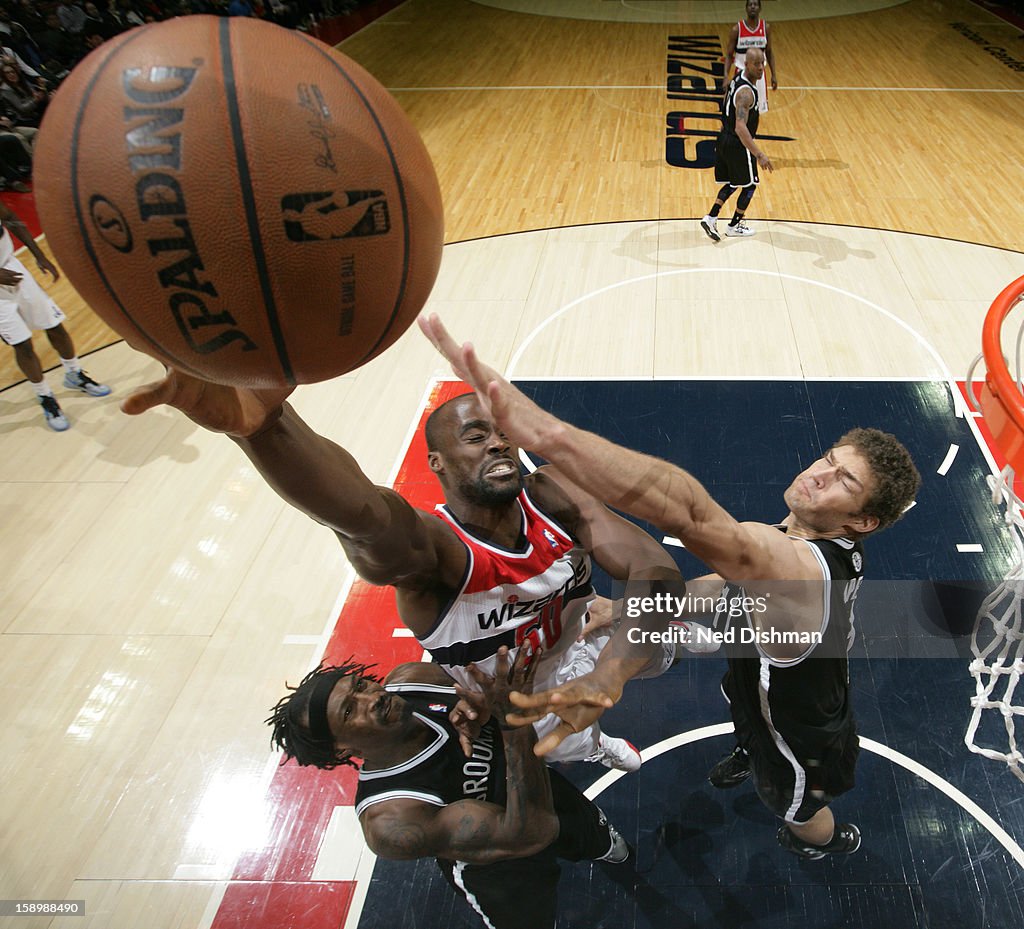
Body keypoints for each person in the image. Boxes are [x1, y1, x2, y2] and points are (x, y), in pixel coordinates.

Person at [418, 313, 922, 861]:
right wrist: (629, 609)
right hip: (758, 672)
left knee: (795, 802)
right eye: (829, 459)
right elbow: (724, 588)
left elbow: (687, 512)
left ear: (863, 521)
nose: (819, 475)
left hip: (800, 722)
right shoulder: (801, 542)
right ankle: (749, 749)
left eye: (843, 481)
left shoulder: (793, 566)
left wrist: (549, 436)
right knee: (742, 707)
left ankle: (820, 843)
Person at [120, 370, 687, 771]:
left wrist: (608, 673)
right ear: (436, 463)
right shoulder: (434, 553)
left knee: (682, 626)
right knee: (570, 744)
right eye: (475, 436)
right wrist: (266, 429)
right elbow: (363, 515)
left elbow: (657, 571)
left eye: (503, 433)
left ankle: (745, 642)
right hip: (524, 691)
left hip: (598, 633)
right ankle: (597, 746)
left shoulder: (551, 493)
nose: (498, 443)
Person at [268, 646, 629, 929]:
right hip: (500, 869)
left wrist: (487, 704)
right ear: (340, 748)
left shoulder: (415, 678)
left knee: (596, 837)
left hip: (541, 787)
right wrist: (511, 722)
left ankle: (606, 846)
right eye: (350, 711)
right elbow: (533, 831)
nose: (372, 697)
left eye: (361, 686)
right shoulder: (392, 820)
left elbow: (491, 683)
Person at [0, 202, 111, 431]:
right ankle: (45, 397)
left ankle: (74, 374)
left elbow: (10, 216)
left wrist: (39, 256)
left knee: (54, 325)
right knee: (22, 344)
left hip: (15, 271)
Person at [700, 47, 773, 242]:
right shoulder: (746, 93)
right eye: (756, 64)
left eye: (762, 63)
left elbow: (726, 104)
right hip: (737, 143)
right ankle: (733, 225)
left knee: (734, 181)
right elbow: (741, 127)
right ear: (746, 64)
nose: (760, 68)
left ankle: (711, 217)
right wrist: (759, 154)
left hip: (724, 137)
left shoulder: (738, 79)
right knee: (750, 185)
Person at [724, 0, 777, 114]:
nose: (753, 7)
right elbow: (729, 55)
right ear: (746, 8)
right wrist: (725, 76)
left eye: (755, 4)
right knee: (739, 109)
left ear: (760, 8)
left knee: (757, 111)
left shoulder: (765, 28)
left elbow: (769, 52)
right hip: (742, 74)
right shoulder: (737, 29)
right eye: (750, 5)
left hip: (759, 75)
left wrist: (774, 75)